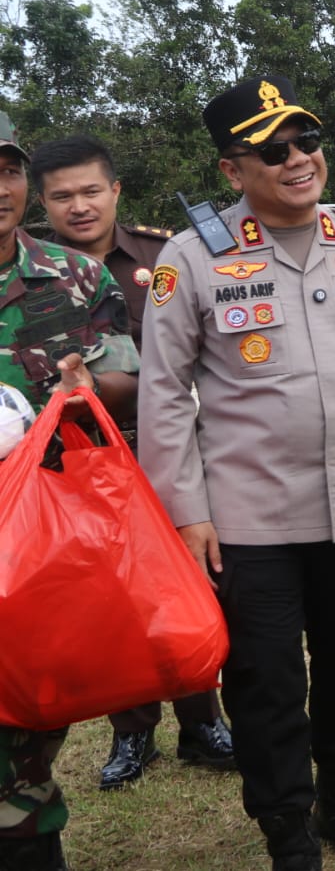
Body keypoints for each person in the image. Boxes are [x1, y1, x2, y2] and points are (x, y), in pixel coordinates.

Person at [138, 78, 335, 871]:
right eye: (273, 151)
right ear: (231, 170)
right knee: (266, 680)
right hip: (249, 520)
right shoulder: (191, 258)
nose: (298, 160)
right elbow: (163, 393)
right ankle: (287, 826)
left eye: (306, 141)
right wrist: (186, 513)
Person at [28, 134, 236, 791]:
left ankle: (202, 721)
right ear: (43, 203)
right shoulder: (38, 271)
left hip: (164, 448)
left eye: (92, 190)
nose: (79, 206)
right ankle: (133, 730)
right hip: (81, 462)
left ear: (115, 190)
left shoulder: (163, 255)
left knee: (186, 580)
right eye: (62, 196)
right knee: (111, 593)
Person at [0, 113, 139, 871]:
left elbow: (126, 376)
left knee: (26, 726)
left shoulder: (76, 274)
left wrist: (83, 391)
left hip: (43, 537)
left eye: (8, 170)